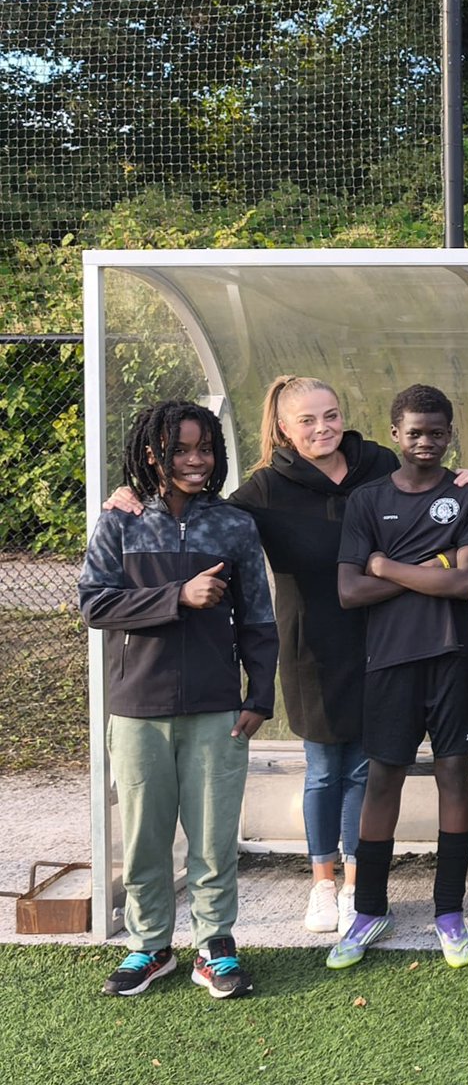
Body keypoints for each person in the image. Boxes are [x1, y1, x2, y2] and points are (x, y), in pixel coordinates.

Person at [101, 375, 468, 935]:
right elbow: (201, 510)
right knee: (324, 767)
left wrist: (463, 478)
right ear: (283, 428)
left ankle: (356, 884)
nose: (323, 428)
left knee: (364, 764)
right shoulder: (264, 489)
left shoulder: (377, 464)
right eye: (307, 420)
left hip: (382, 635)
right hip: (311, 642)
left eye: (331, 415)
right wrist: (132, 493)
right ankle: (322, 882)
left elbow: (426, 484)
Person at [80, 401, 278, 999]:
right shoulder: (121, 521)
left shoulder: (234, 525)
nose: (196, 461)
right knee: (145, 836)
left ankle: (214, 945)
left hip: (217, 708)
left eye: (205, 449)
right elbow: (94, 604)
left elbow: (259, 618)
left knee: (214, 837)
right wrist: (177, 597)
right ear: (152, 454)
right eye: (180, 450)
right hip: (137, 708)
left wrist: (258, 695)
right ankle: (150, 946)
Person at [327, 384, 468, 970]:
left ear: (450, 434)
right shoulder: (368, 500)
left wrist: (386, 565)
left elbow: (466, 582)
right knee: (382, 782)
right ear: (395, 433)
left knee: (454, 777)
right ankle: (369, 909)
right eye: (415, 432)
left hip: (450, 658)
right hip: (388, 661)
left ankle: (449, 911)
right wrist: (430, 568)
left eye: (437, 432)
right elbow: (350, 591)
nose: (426, 441)